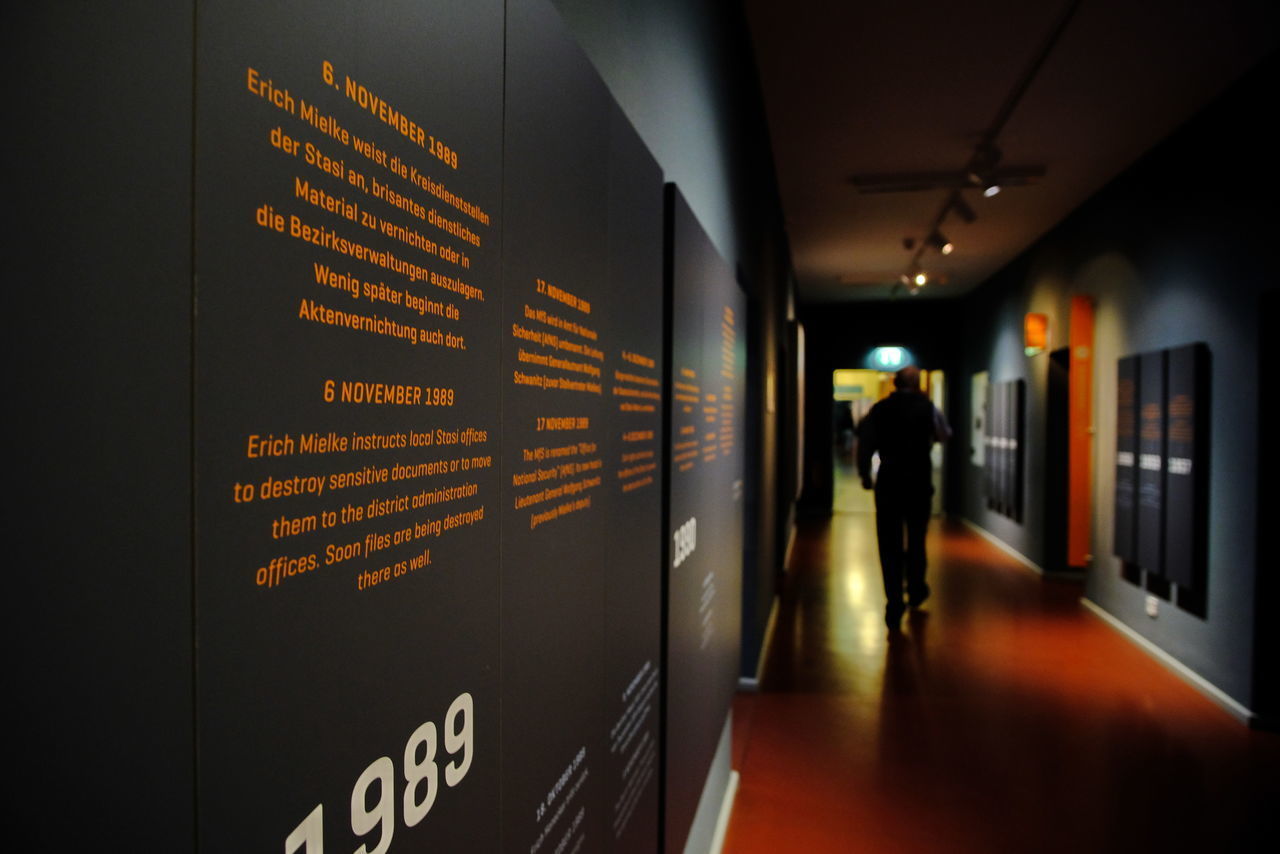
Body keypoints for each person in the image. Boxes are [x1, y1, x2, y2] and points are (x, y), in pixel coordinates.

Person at [857, 365, 951, 630]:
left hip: (889, 481)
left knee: (889, 542)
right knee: (917, 538)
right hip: (919, 481)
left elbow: (866, 444)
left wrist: (865, 474)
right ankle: (917, 589)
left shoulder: (881, 409)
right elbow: (945, 435)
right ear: (918, 383)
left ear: (895, 383)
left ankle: (894, 601)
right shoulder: (929, 408)